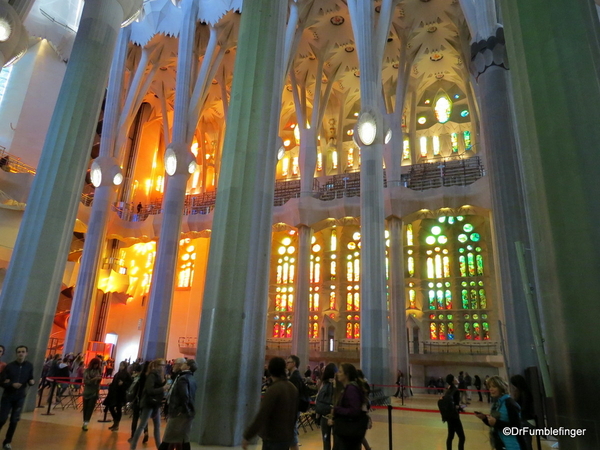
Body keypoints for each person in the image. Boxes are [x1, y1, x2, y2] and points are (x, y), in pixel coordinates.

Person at [242, 357, 298, 450]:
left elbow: (262, 414)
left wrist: (248, 435)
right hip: (287, 436)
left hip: (273, 437)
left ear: (270, 370)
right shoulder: (292, 388)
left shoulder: (273, 390)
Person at [475, 376, 526, 450]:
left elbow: (516, 428)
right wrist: (484, 418)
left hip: (513, 445)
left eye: (494, 387)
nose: (491, 389)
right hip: (501, 444)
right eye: (489, 387)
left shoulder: (510, 404)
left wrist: (496, 423)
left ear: (501, 387)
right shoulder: (497, 404)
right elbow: (494, 424)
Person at [0, 346, 35, 449]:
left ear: (26, 353)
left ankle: (7, 441)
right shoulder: (9, 366)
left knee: (14, 420)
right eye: (19, 352)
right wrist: (11, 384)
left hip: (20, 397)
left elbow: (30, 378)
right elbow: (2, 381)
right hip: (8, 396)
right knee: (2, 418)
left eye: (23, 352)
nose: (21, 353)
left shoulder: (29, 366)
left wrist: (31, 382)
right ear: (16, 354)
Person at [159, 359, 197, 450]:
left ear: (188, 366)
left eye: (184, 364)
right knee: (184, 438)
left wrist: (182, 409)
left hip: (179, 412)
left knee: (168, 437)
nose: (182, 365)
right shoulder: (192, 378)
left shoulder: (182, 378)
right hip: (188, 412)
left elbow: (184, 395)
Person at [129, 358, 168, 450]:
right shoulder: (152, 375)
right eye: (162, 365)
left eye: (164, 365)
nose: (163, 367)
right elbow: (149, 390)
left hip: (156, 404)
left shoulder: (161, 376)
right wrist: (163, 388)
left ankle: (159, 447)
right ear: (157, 366)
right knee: (142, 425)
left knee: (157, 427)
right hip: (148, 403)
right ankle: (133, 446)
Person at [329, 363, 370, 450]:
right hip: (346, 432)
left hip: (348, 433)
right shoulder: (348, 388)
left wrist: (336, 410)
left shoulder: (351, 389)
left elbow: (354, 411)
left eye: (340, 372)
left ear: (346, 374)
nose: (337, 374)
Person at [287, 355, 308, 450]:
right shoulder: (294, 376)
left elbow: (293, 395)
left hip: (293, 409)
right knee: (291, 433)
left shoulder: (295, 377)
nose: (286, 364)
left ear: (294, 363)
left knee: (292, 434)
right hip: (294, 408)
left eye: (288, 362)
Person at [104, 361, 132, 431]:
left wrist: (123, 384)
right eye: (120, 365)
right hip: (114, 393)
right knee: (111, 407)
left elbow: (130, 383)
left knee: (118, 408)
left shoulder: (127, 374)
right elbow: (115, 382)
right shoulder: (117, 373)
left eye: (122, 365)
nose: (121, 367)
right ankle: (115, 421)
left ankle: (116, 424)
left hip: (120, 394)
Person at [314, 363, 336, 450]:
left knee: (326, 438)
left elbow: (318, 398)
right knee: (336, 440)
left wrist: (317, 416)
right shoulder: (338, 384)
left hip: (324, 416)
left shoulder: (323, 383)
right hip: (335, 415)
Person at [510, 375, 535, 450]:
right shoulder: (525, 392)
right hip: (527, 419)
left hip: (525, 420)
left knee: (526, 443)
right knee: (526, 443)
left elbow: (524, 408)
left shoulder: (523, 393)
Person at [128, 362, 150, 445]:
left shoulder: (140, 377)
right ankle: (146, 432)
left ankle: (133, 436)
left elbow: (134, 388)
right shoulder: (150, 378)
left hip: (138, 400)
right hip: (146, 401)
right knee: (144, 419)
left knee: (135, 418)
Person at [443, 374, 465, 450]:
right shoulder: (456, 391)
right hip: (455, 416)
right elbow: (456, 405)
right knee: (462, 437)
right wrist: (462, 407)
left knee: (450, 436)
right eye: (454, 378)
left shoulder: (447, 390)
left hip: (448, 416)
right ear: (452, 380)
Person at [82, 357, 103, 431]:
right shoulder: (87, 371)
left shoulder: (99, 371)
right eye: (94, 364)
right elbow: (86, 381)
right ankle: (84, 421)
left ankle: (86, 423)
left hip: (94, 392)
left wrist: (98, 380)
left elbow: (99, 381)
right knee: (85, 408)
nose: (96, 366)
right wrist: (93, 380)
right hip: (86, 391)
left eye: (97, 364)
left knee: (90, 409)